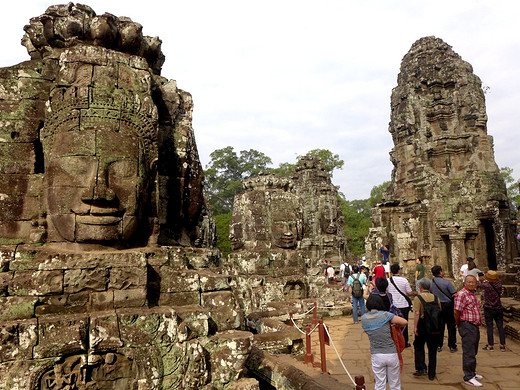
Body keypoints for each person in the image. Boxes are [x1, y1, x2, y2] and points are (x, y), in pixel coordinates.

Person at [361, 294, 408, 390]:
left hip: (376, 354)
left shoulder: (364, 319)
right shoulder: (386, 315)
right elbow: (404, 322)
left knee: (379, 384)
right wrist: (394, 326)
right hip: (391, 353)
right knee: (395, 384)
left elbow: (367, 331)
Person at [454, 275, 484, 387]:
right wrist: (459, 324)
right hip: (467, 325)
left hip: (474, 326)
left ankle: (472, 372)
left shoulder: (472, 294)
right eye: (469, 282)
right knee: (469, 351)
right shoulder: (461, 294)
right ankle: (468, 377)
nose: (471, 284)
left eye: (473, 282)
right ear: (464, 283)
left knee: (473, 350)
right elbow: (457, 311)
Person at [413, 278, 441, 380]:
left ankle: (421, 368)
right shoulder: (435, 297)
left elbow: (417, 313)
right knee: (432, 349)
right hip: (433, 325)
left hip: (422, 324)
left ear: (420, 287)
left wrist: (415, 327)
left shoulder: (418, 298)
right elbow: (439, 310)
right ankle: (432, 372)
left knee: (419, 346)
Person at [430, 265, 458, 353]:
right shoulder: (447, 282)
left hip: (437, 306)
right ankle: (452, 345)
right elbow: (454, 294)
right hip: (447, 305)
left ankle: (439, 345)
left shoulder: (431, 283)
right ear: (440, 272)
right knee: (451, 325)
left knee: (439, 326)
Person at [387, 263, 414, 347]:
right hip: (404, 305)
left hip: (394, 306)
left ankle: (395, 341)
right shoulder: (404, 280)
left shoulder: (388, 280)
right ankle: (404, 342)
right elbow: (409, 293)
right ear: (399, 270)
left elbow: (387, 291)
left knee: (393, 324)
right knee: (404, 324)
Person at [478, 270, 506, 352]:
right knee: (500, 326)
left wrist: (480, 279)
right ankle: (502, 345)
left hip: (489, 308)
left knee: (489, 327)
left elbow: (478, 284)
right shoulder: (499, 285)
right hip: (498, 308)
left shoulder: (487, 285)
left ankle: (490, 345)